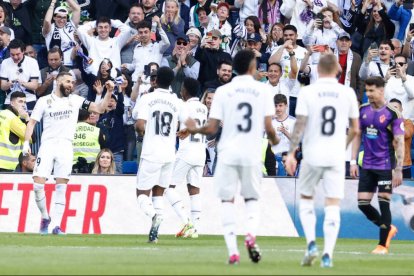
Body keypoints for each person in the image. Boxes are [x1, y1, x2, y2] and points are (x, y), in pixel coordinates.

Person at [185, 49, 280, 265]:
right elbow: (268, 126)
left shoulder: (223, 92)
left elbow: (211, 128)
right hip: (252, 153)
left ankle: (232, 252)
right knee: (252, 199)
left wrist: (195, 128)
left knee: (227, 200)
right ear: (253, 67)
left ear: (235, 67)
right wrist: (275, 142)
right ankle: (250, 235)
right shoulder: (263, 91)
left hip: (227, 152)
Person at [285, 54, 360, 268]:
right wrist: (342, 147)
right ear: (337, 70)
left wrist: (291, 153)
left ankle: (310, 243)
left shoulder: (308, 92)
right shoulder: (347, 93)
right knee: (332, 203)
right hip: (336, 155)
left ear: (318, 71)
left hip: (313, 153)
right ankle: (328, 254)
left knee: (307, 198)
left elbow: (299, 125)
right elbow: (355, 129)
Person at [22, 72, 115, 235]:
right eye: (68, 82)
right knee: (37, 185)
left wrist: (109, 92)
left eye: (72, 82)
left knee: (61, 187)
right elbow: (32, 123)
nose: (71, 85)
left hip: (65, 146)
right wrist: (25, 142)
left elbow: (99, 108)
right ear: (58, 82)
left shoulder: (76, 100)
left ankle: (56, 225)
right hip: (48, 145)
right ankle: (45, 217)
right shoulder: (44, 101)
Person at [350, 77, 404, 255]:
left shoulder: (392, 113)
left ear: (381, 91)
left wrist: (398, 170)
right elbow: (357, 135)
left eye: (372, 91)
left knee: (384, 203)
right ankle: (388, 227)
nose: (368, 94)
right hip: (366, 165)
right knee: (363, 203)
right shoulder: (362, 110)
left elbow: (400, 141)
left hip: (385, 166)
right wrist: (353, 161)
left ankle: (382, 245)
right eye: (367, 90)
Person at [134, 67, 188, 243]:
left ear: (155, 80)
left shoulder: (147, 98)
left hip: (151, 152)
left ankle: (153, 216)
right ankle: (155, 234)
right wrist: (181, 132)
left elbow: (139, 124)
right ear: (171, 81)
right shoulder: (177, 101)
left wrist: (144, 135)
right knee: (158, 193)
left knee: (142, 193)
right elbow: (187, 126)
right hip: (169, 154)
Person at [165, 77, 207, 238]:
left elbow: (188, 123)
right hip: (200, 153)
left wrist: (185, 130)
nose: (181, 90)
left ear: (185, 91)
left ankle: (186, 221)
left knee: (168, 186)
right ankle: (195, 228)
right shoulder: (203, 107)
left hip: (187, 151)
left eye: (182, 88)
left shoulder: (184, 105)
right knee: (194, 190)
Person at [0, 39, 40, 112]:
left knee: (28, 122)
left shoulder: (32, 62)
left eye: (18, 54)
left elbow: (34, 86)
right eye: (12, 54)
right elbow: (3, 86)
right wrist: (9, 84)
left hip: (29, 99)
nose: (15, 57)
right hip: (10, 100)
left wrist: (22, 83)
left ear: (23, 51)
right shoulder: (5, 63)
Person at [42, 0, 81, 68]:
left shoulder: (70, 25)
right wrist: (53, 3)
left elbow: (77, 9)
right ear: (54, 17)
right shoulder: (50, 28)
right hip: (57, 65)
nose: (62, 20)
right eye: (59, 17)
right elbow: (47, 20)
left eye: (64, 17)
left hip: (73, 63)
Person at [0, 91, 31, 172]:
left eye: (25, 102)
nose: (23, 105)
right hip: (5, 162)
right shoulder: (13, 119)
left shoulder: (2, 113)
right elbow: (31, 138)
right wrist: (27, 118)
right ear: (12, 103)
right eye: (20, 101)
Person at [73, 109, 106, 174]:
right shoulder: (97, 131)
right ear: (88, 118)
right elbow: (104, 148)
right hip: (92, 167)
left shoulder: (68, 130)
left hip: (72, 166)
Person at [388, 98, 413, 179]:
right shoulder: (383, 122)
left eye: (395, 107)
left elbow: (406, 134)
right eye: (390, 108)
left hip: (404, 166)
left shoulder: (408, 122)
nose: (393, 110)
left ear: (401, 109)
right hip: (387, 165)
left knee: (405, 190)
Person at [271, 94, 296, 168]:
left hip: (288, 163)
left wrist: (285, 132)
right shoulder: (270, 122)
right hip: (273, 162)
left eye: (280, 105)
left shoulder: (293, 121)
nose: (278, 108)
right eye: (276, 106)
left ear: (286, 105)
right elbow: (265, 143)